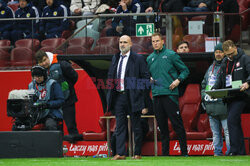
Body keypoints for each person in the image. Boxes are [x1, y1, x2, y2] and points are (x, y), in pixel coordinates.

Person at [106, 35, 150, 160]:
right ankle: (121, 153)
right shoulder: (115, 58)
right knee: (120, 125)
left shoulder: (138, 58)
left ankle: (137, 153)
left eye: (125, 42)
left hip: (133, 96)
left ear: (131, 44)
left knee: (136, 125)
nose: (122, 44)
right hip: (119, 96)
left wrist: (140, 94)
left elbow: (145, 78)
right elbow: (111, 77)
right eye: (120, 42)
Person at [146, 33, 189, 156]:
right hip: (156, 95)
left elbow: (185, 70)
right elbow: (148, 75)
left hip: (170, 94)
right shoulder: (150, 58)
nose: (155, 43)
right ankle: (165, 155)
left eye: (157, 41)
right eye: (153, 41)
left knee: (177, 125)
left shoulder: (171, 55)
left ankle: (184, 153)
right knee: (162, 127)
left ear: (162, 41)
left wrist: (177, 80)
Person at [35, 50, 83, 142]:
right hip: (53, 103)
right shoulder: (40, 70)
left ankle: (74, 151)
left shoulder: (62, 64)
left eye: (44, 60)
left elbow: (74, 76)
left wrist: (66, 87)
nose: (44, 63)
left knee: (71, 126)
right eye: (41, 62)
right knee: (55, 127)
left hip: (68, 99)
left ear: (48, 57)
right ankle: (57, 149)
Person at [212, 40, 250, 155]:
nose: (230, 56)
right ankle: (241, 151)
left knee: (231, 120)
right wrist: (214, 89)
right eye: (227, 54)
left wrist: (248, 83)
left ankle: (233, 150)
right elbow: (220, 78)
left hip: (242, 95)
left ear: (234, 47)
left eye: (231, 53)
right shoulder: (225, 62)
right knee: (235, 122)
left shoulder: (245, 58)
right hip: (230, 97)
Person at [13, 65, 64, 130]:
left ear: (44, 76)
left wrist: (47, 105)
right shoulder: (31, 85)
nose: (37, 79)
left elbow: (61, 101)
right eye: (35, 77)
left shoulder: (53, 84)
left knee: (50, 125)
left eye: (39, 77)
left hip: (50, 113)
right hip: (36, 114)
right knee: (18, 124)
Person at [201, 43, 230, 156]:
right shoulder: (210, 68)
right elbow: (204, 85)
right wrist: (204, 96)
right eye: (216, 52)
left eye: (220, 52)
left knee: (227, 131)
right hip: (211, 105)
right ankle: (217, 152)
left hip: (223, 105)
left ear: (224, 53)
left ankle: (229, 152)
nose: (218, 54)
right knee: (215, 133)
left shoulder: (228, 66)